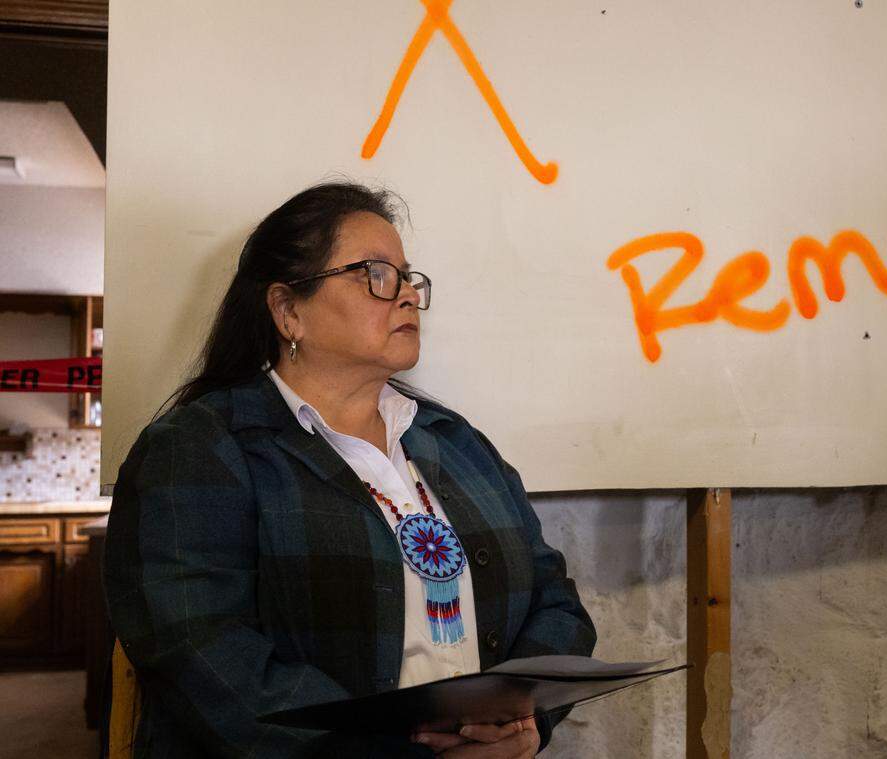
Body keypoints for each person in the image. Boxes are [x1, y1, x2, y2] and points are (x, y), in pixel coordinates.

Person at [103, 183, 597, 758]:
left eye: (407, 278)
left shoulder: (456, 441)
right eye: (376, 274)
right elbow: (199, 655)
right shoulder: (199, 448)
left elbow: (555, 603)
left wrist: (523, 721)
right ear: (288, 311)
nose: (407, 295)